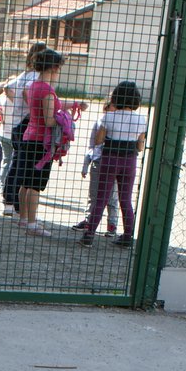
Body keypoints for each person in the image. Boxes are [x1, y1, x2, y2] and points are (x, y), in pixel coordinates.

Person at [15, 47, 87, 237]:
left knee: (25, 182)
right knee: (36, 184)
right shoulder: (47, 90)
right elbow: (49, 119)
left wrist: (72, 105)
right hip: (42, 142)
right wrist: (65, 119)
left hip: (29, 137)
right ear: (53, 68)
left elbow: (52, 104)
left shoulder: (34, 86)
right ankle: (32, 223)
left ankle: (23, 219)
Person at [79, 80, 147, 248]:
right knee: (125, 199)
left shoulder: (108, 117)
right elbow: (140, 145)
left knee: (101, 198)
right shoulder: (141, 120)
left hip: (109, 159)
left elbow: (99, 140)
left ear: (116, 97)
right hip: (129, 161)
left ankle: (89, 235)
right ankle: (128, 236)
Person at [0, 41, 48, 215]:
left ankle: (9, 201)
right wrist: (34, 109)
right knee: (24, 166)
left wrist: (17, 105)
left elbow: (7, 88)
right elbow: (27, 93)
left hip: (18, 123)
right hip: (28, 124)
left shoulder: (24, 75)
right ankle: (17, 205)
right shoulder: (36, 77)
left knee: (16, 163)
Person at [71, 96, 121, 237]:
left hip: (114, 162)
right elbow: (92, 145)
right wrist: (86, 163)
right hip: (98, 161)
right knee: (93, 195)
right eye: (111, 106)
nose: (114, 110)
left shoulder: (121, 123)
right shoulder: (99, 122)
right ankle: (89, 221)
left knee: (112, 197)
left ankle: (112, 225)